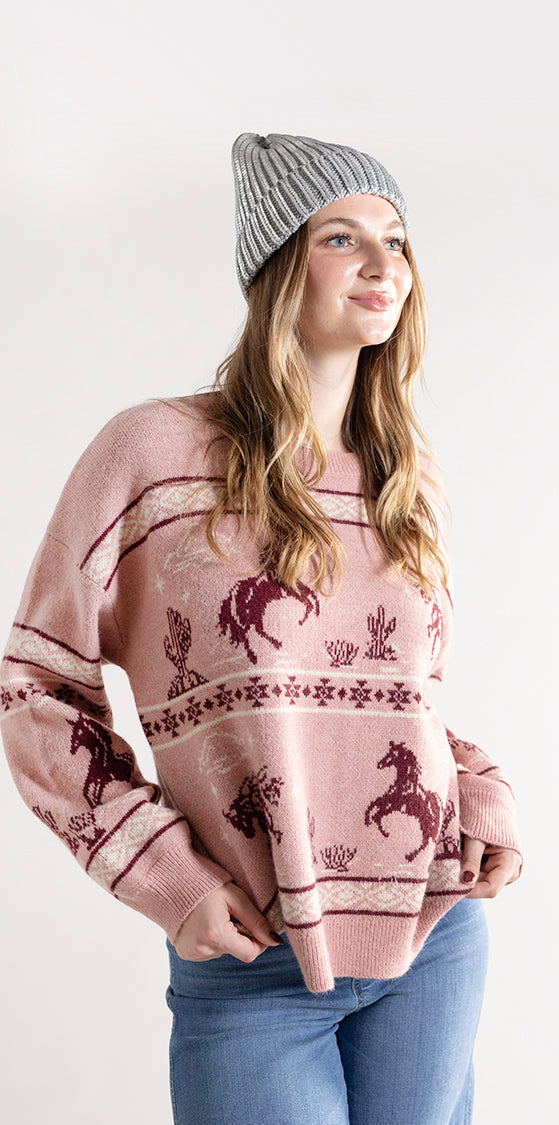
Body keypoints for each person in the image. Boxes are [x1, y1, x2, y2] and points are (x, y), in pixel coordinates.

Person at [1, 132, 522, 1124]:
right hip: (252, 958)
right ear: (279, 266)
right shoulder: (150, 455)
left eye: (396, 239)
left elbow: (396, 703)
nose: (382, 264)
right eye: (342, 237)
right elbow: (36, 685)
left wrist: (482, 796)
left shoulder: (408, 479)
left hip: (433, 933)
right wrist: (165, 876)